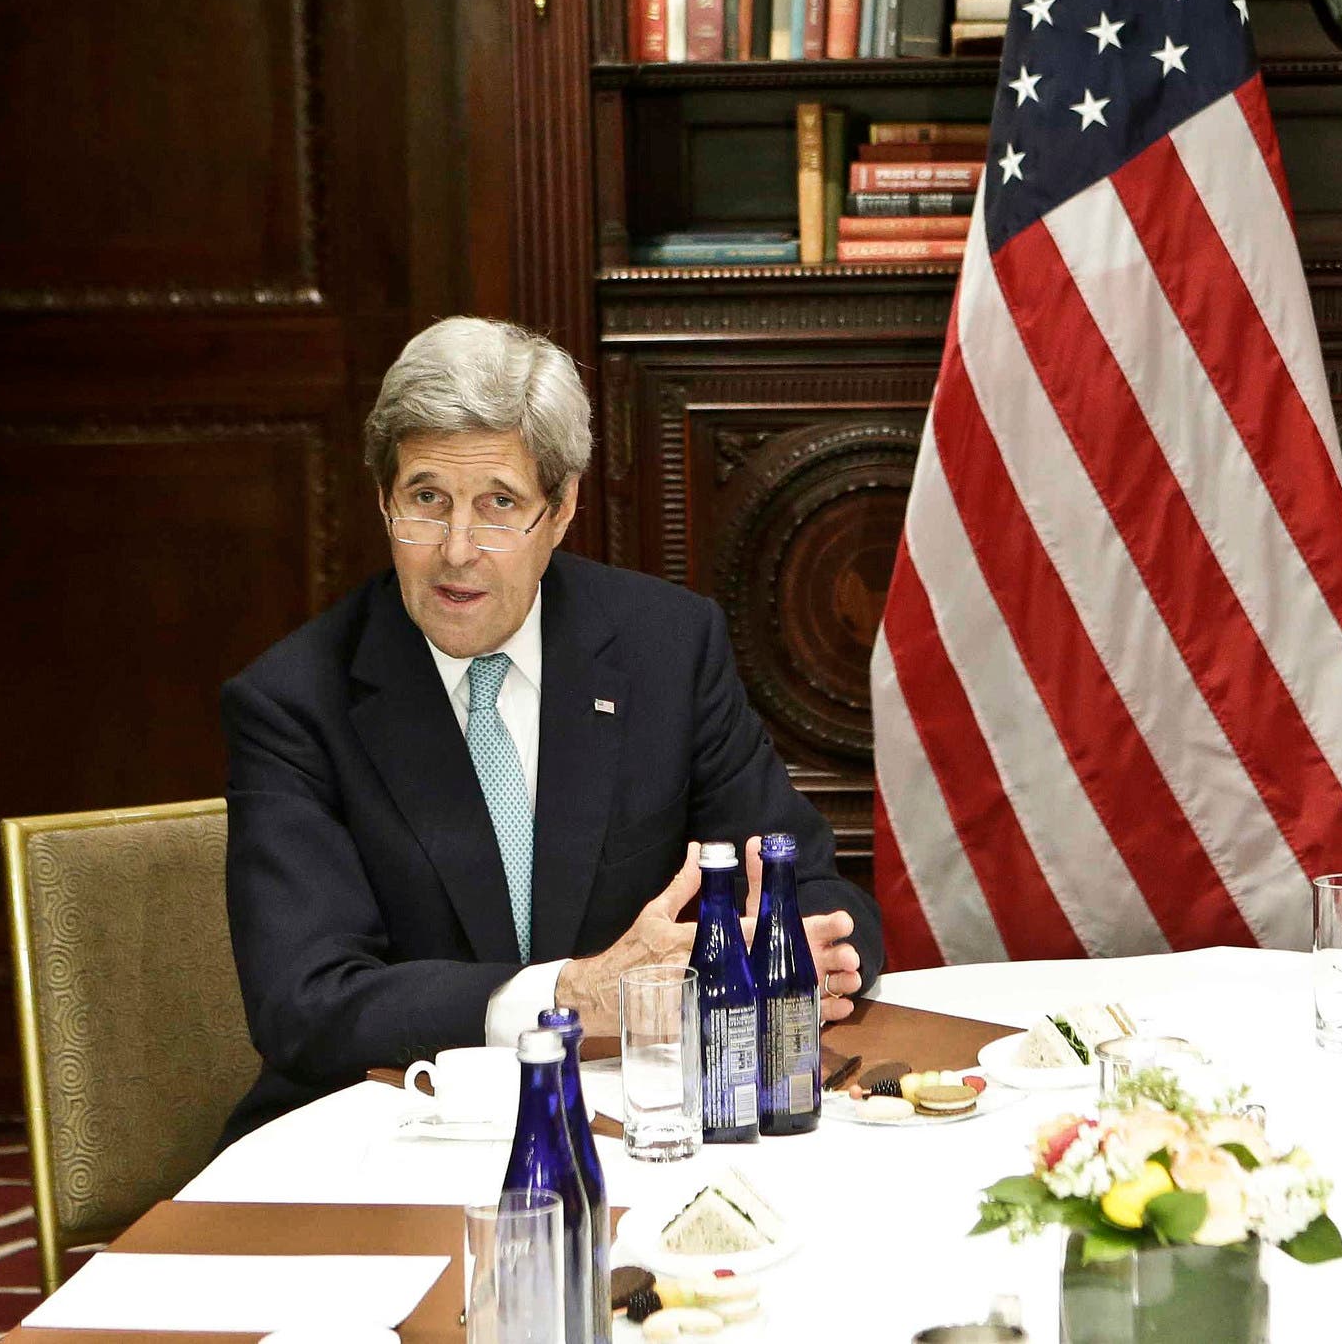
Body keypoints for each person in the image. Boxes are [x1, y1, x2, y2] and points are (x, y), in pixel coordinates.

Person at [221, 317, 883, 1139]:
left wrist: (789, 953)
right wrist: (567, 993)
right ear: (383, 498)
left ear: (562, 507)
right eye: (427, 500)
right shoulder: (294, 701)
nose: (456, 550)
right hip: (386, 1136)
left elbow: (815, 889)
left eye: (499, 504)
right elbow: (304, 1003)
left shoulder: (666, 650)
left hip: (640, 1122)